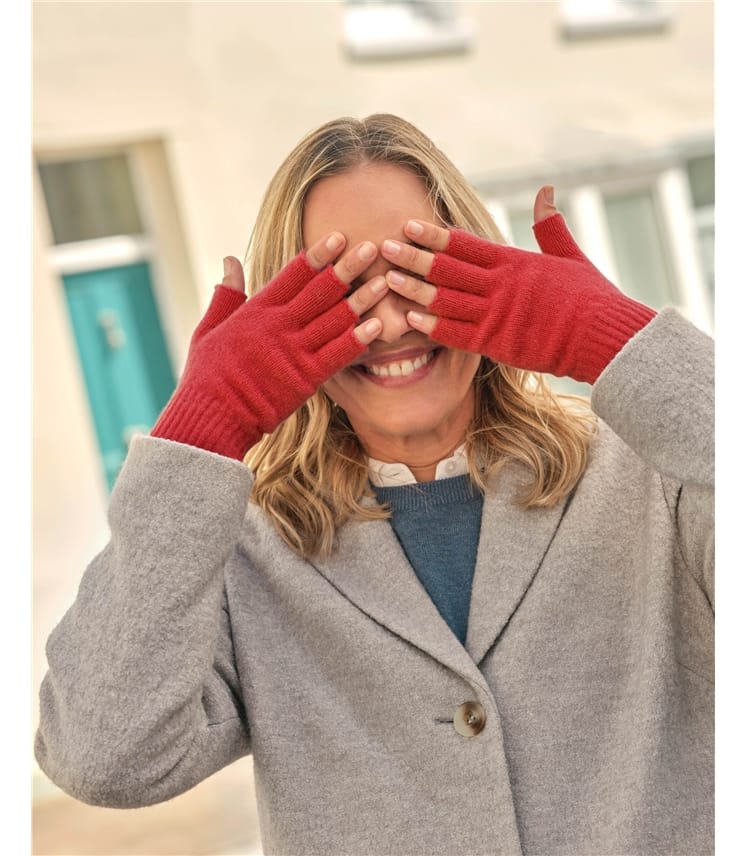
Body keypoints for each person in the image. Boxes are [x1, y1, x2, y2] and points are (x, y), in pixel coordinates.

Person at [35, 114, 714, 856]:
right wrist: (205, 425)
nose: (389, 323)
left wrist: (616, 341)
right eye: (346, 290)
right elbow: (102, 759)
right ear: (282, 318)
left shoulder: (659, 479)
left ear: (487, 273)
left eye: (419, 271)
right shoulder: (236, 553)